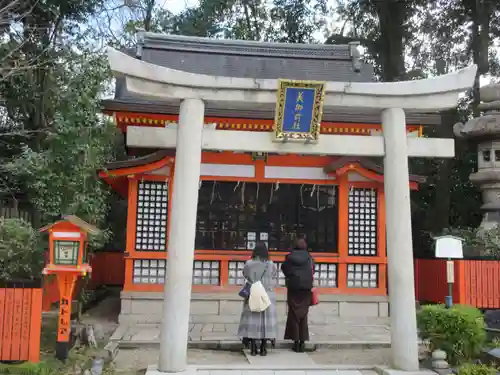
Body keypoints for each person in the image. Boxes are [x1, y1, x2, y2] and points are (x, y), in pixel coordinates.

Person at [237, 241, 278, 356]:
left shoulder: (249, 263)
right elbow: (273, 275)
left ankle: (254, 348)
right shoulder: (271, 264)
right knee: (265, 322)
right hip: (267, 294)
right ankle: (264, 347)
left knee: (252, 321)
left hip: (253, 292)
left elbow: (245, 274)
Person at [281, 238, 314, 353]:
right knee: (303, 315)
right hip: (306, 288)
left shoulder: (289, 257)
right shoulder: (309, 258)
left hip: (293, 287)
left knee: (293, 313)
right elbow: (312, 270)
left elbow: (284, 269)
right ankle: (302, 342)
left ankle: (295, 342)